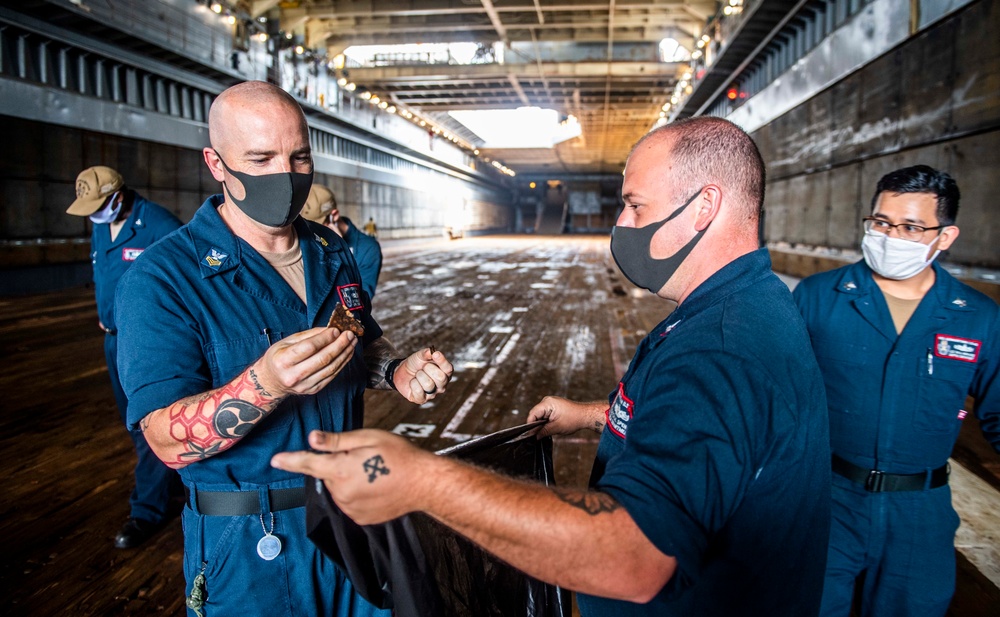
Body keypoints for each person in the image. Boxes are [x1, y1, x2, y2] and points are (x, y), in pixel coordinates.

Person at [272, 117, 833, 616]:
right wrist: (597, 416)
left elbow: (635, 557)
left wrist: (422, 481)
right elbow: (725, 433)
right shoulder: (752, 304)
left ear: (704, 206)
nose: (622, 223)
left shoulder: (720, 347)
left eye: (636, 205)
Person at [114, 81, 453, 617]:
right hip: (251, 541)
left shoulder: (330, 249)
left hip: (352, 515)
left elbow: (357, 339)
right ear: (217, 163)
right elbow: (166, 441)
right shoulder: (164, 278)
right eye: (261, 157)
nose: (286, 175)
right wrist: (265, 384)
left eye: (299, 156)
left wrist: (395, 369)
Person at [792, 165, 999, 617]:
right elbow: (772, 395)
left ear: (944, 237)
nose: (890, 236)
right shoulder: (819, 297)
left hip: (920, 515)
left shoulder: (977, 317)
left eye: (910, 227)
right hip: (828, 501)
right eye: (881, 223)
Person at [65, 165, 183, 549]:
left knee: (149, 424)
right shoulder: (102, 224)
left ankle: (148, 510)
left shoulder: (159, 225)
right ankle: (173, 485)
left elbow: (189, 278)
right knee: (134, 427)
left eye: (98, 206)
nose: (94, 216)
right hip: (114, 342)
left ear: (118, 196)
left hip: (150, 344)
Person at [301, 184, 383, 298]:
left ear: (334, 216)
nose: (313, 232)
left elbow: (361, 301)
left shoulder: (367, 248)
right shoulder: (305, 238)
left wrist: (337, 253)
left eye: (318, 225)